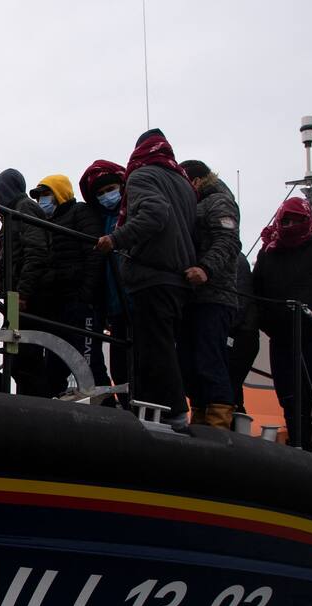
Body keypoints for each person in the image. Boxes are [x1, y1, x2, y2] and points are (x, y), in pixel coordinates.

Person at [96, 129, 198, 428]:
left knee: (152, 348)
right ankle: (167, 410)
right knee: (165, 344)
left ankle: (168, 412)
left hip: (152, 274)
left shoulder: (142, 177)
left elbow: (154, 214)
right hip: (179, 276)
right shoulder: (182, 182)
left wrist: (116, 238)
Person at [252, 197, 312, 462]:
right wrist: (264, 321)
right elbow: (256, 291)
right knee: (291, 403)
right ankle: (300, 458)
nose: (292, 225)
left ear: (308, 220)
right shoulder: (268, 251)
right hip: (283, 339)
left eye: (298, 219)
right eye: (286, 220)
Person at [179, 160, 243, 428]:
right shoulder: (197, 205)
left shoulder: (219, 202)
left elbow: (228, 241)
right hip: (194, 297)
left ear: (194, 181)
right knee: (191, 362)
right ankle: (202, 416)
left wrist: (205, 268)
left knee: (210, 359)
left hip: (215, 296)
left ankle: (218, 424)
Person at [34, 174, 108, 389]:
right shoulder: (48, 223)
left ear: (59, 192)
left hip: (81, 302)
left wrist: (85, 295)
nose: (42, 201)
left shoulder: (81, 212)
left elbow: (94, 254)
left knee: (89, 361)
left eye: (46, 194)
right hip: (58, 304)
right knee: (55, 364)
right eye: (39, 197)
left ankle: (106, 409)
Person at [0, 168, 55, 396]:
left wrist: (23, 293)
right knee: (17, 356)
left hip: (24, 298)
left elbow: (36, 251)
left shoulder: (24, 208)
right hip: (15, 298)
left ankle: (37, 404)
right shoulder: (15, 211)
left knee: (24, 358)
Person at [79, 160, 127, 404]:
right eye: (99, 193)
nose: (106, 196)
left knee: (135, 363)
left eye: (110, 189)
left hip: (132, 298)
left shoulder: (130, 215)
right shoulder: (98, 220)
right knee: (119, 366)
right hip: (112, 303)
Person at [227, 253, 259, 412]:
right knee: (231, 388)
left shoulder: (235, 259)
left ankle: (227, 424)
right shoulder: (236, 258)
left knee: (228, 386)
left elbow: (241, 300)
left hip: (240, 333)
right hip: (241, 331)